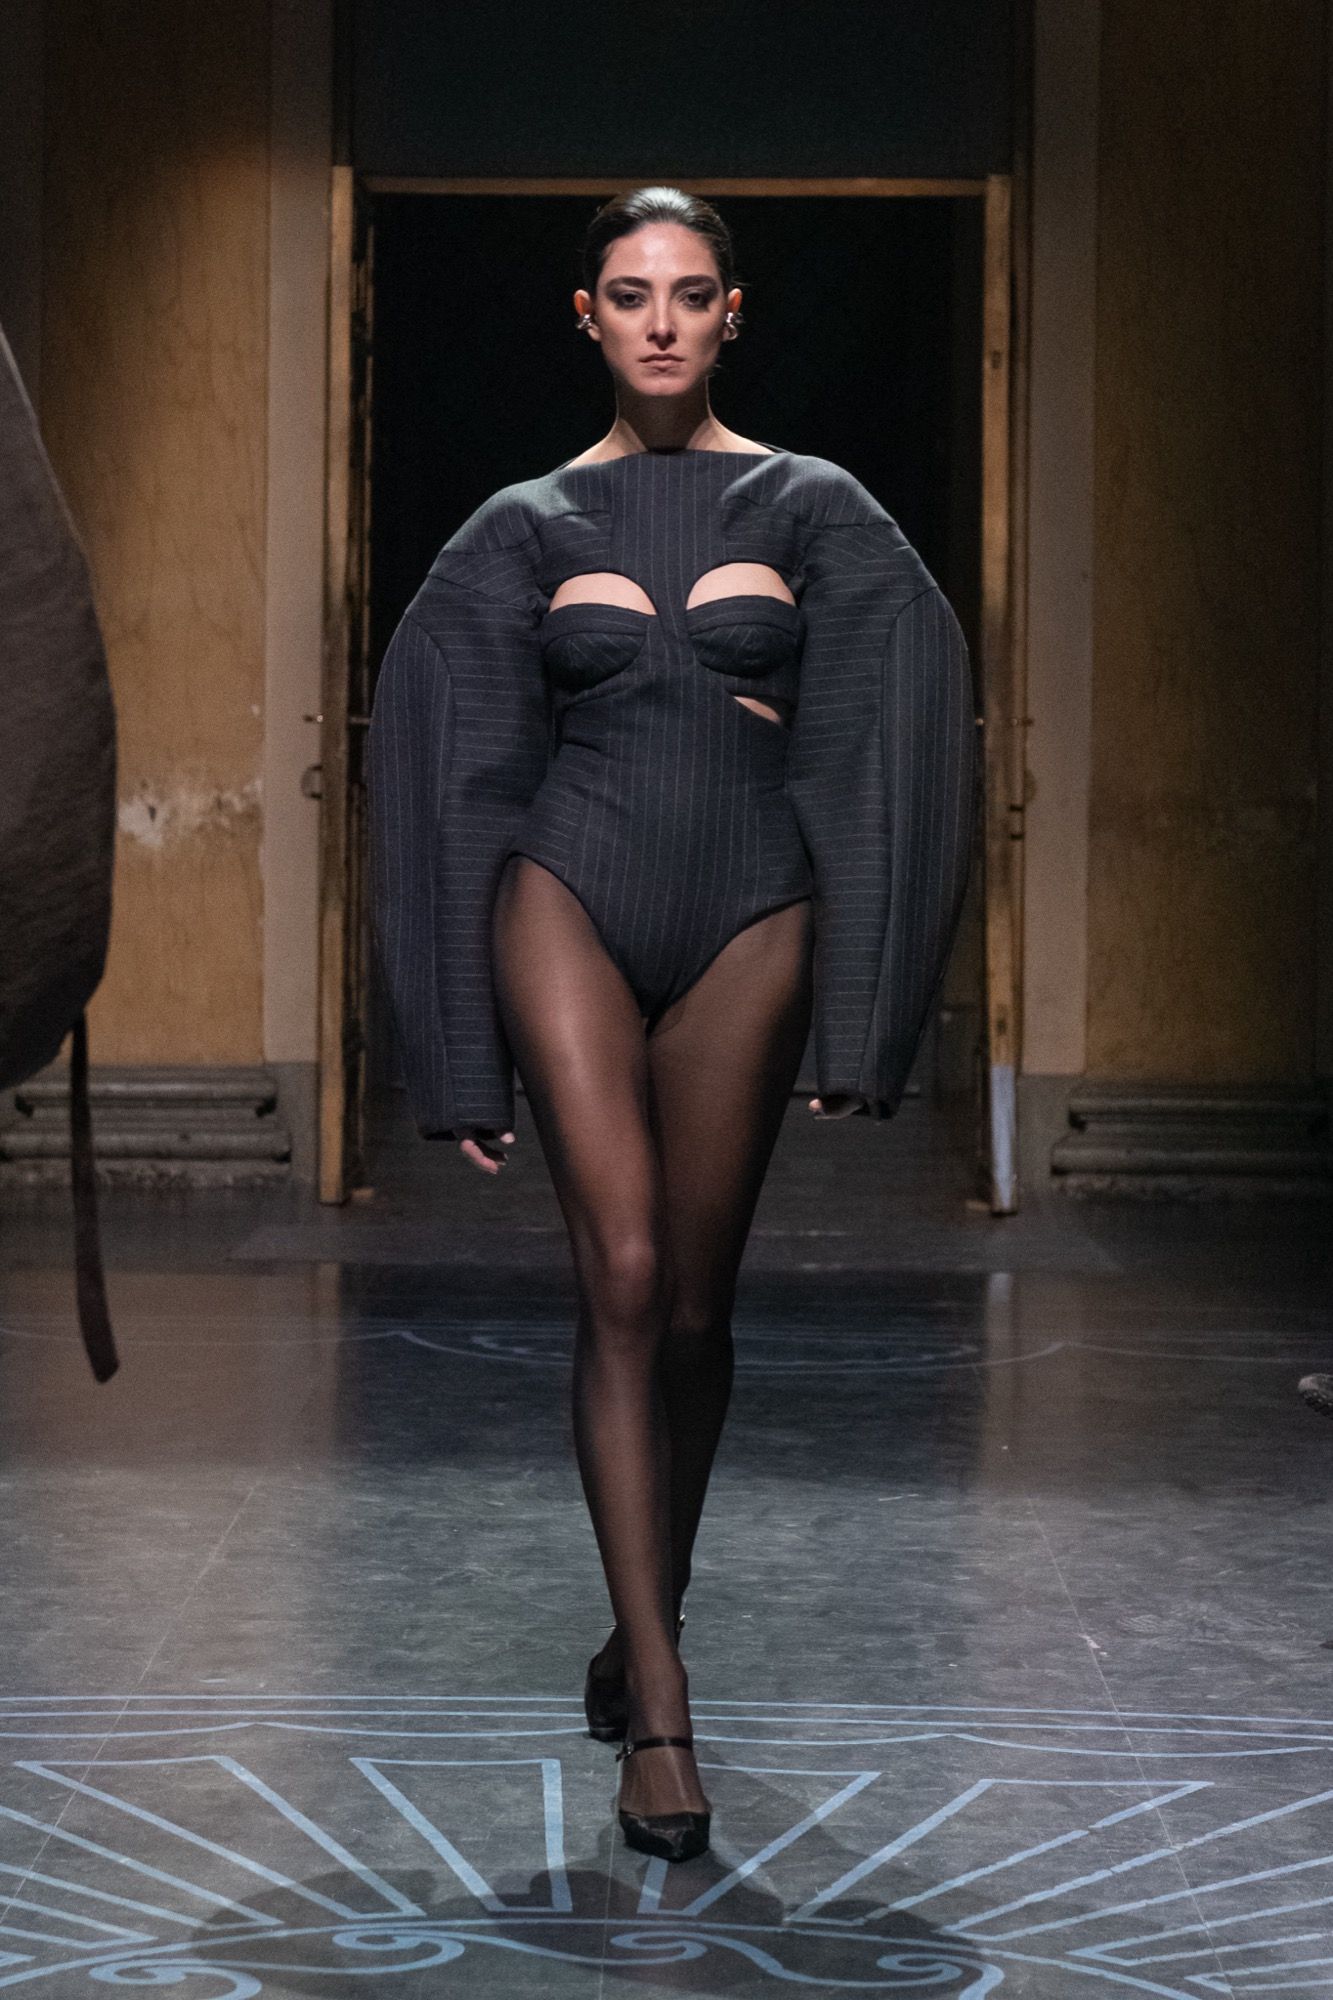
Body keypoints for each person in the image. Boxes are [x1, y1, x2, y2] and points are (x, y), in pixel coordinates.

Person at [367, 186, 978, 1863]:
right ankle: (661, 1708)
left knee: (697, 1312)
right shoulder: (524, 523)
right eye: (628, 293)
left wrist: (873, 1009)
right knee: (624, 1276)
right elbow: (446, 762)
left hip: (749, 907)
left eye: (689, 293)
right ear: (584, 315)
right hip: (567, 885)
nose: (658, 320)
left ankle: (644, 1613)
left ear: (729, 314)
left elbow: (896, 731)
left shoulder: (813, 504)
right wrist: (449, 1041)